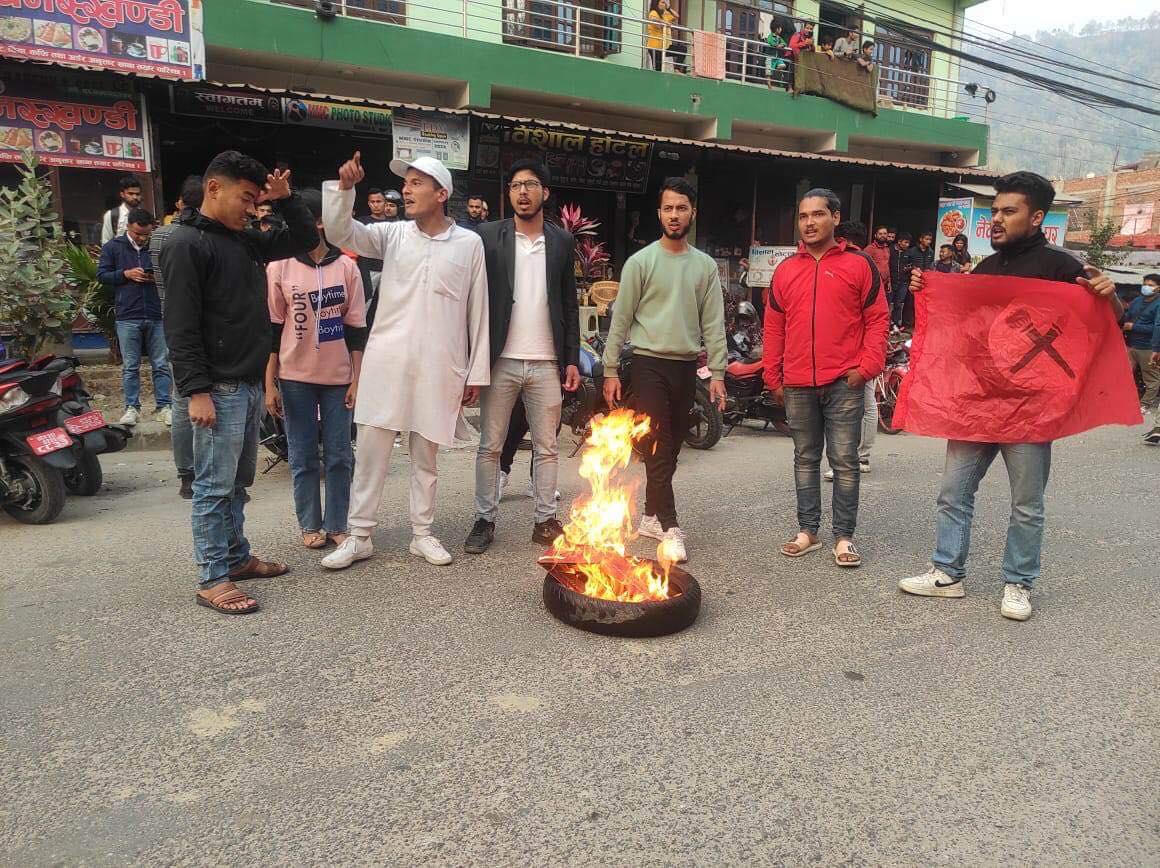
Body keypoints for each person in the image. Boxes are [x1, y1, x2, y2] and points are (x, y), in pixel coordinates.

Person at [898, 170, 1122, 621]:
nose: (996, 219)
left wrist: (1109, 295)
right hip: (979, 402)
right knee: (953, 492)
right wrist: (931, 293)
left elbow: (1104, 323)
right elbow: (964, 329)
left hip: (1031, 410)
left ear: (1036, 216)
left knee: (1026, 503)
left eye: (1008, 211)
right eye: (995, 210)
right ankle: (947, 573)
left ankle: (1018, 583)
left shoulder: (1062, 267)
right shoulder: (985, 267)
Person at [162, 150, 319, 615]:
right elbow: (180, 326)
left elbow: (305, 239)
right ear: (214, 188)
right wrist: (196, 391)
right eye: (245, 198)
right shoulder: (185, 243)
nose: (251, 208)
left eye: (256, 200)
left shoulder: (244, 240)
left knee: (236, 484)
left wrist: (287, 199)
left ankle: (236, 557)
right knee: (213, 486)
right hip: (217, 387)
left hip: (248, 383)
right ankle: (213, 577)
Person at [320, 152, 489, 571]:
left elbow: (478, 311)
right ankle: (359, 536)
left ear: (441, 193)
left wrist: (475, 371)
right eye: (407, 183)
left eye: (416, 183)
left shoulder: (469, 243)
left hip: (440, 363)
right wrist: (345, 190)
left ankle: (422, 534)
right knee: (373, 450)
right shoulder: (392, 235)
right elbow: (343, 233)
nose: (407, 190)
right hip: (387, 360)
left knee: (426, 455)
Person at [602, 177, 727, 564]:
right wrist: (609, 368)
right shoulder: (641, 262)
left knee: (672, 450)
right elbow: (620, 320)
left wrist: (718, 373)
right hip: (647, 364)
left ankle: (651, 516)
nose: (675, 215)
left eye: (682, 208)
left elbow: (714, 323)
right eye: (668, 208)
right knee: (657, 445)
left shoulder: (704, 266)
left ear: (693, 212)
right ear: (659, 213)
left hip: (686, 367)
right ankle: (671, 528)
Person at [765, 190, 889, 568]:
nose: (809, 222)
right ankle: (808, 532)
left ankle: (844, 537)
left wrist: (866, 367)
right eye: (803, 216)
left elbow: (878, 319)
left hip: (844, 381)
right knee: (805, 458)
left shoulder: (859, 264)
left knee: (844, 461)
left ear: (835, 218)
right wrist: (773, 375)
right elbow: (774, 325)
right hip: (798, 381)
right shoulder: (786, 270)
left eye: (818, 214)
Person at [464, 159, 581, 554]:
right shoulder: (487, 236)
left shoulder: (562, 241)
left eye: (531, 185)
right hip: (501, 360)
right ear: (509, 193)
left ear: (545, 193)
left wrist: (570, 359)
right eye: (515, 186)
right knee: (490, 445)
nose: (523, 192)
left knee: (548, 447)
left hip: (547, 361)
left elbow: (569, 303)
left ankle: (545, 520)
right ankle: (484, 519)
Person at [265, 189, 368, 551]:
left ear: (319, 222)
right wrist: (270, 384)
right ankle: (310, 524)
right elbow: (274, 330)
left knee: (341, 454)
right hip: (294, 379)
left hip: (339, 378)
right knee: (303, 455)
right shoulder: (278, 266)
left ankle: (338, 522)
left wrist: (357, 379)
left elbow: (357, 329)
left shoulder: (348, 267)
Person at [97, 207, 173, 428]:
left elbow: (171, 272)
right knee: (130, 365)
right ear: (128, 226)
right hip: (127, 314)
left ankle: (164, 406)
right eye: (137, 233)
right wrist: (125, 274)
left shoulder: (157, 246)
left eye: (146, 234)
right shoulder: (113, 247)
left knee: (161, 364)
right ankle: (132, 407)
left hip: (156, 312)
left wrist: (155, 276)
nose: (141, 238)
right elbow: (102, 275)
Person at [151, 175, 202, 497]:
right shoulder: (194, 238)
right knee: (192, 401)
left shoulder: (160, 236)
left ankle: (187, 473)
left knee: (182, 399)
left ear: (181, 203)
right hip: (196, 327)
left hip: (171, 322)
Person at [824, 220, 879, 480]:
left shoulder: (856, 264)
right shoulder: (868, 263)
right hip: (857, 353)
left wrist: (868, 361)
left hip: (854, 354)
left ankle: (853, 459)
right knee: (863, 406)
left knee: (853, 409)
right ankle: (859, 456)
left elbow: (874, 316)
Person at [357, 187, 403, 327]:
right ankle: (357, 340)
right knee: (364, 304)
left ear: (385, 202)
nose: (376, 205)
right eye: (373, 202)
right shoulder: (361, 222)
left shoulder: (395, 224)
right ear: (368, 203)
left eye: (379, 201)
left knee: (391, 306)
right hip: (368, 269)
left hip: (390, 270)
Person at [1123, 273, 1160, 442]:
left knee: (1151, 379)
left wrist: (1134, 326)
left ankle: (1145, 405)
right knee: (1124, 377)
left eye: (1150, 284)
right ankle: (1127, 403)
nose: (1146, 286)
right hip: (1132, 344)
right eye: (1145, 283)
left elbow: (1157, 327)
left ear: (1158, 287)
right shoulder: (1137, 301)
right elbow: (1126, 317)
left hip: (1148, 346)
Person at [898, 231, 934, 327]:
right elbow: (905, 266)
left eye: (930, 239)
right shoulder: (911, 251)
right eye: (926, 239)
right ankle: (906, 324)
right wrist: (913, 268)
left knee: (922, 304)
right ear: (921, 239)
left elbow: (930, 265)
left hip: (925, 282)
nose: (928, 241)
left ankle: (918, 324)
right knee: (909, 303)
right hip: (912, 281)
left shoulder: (931, 252)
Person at [100, 176, 143, 244]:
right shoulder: (112, 215)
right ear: (122, 194)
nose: (135, 197)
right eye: (130, 194)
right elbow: (106, 242)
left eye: (137, 194)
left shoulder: (144, 215)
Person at [646, 0, 679, 72]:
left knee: (682, 49)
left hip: (664, 46)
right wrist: (664, 22)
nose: (664, 4)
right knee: (658, 70)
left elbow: (676, 16)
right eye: (662, 2)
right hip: (654, 46)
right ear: (656, 3)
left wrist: (669, 8)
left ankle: (677, 69)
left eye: (665, 3)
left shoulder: (665, 14)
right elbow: (652, 19)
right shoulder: (654, 12)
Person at [890, 231, 912, 327]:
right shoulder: (890, 250)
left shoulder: (909, 252)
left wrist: (909, 268)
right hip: (891, 282)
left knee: (898, 304)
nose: (907, 245)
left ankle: (895, 324)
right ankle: (885, 323)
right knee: (887, 303)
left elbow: (912, 264)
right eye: (905, 242)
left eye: (908, 243)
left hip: (903, 282)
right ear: (899, 242)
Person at [765, 19, 790, 89]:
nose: (781, 29)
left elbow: (784, 43)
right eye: (780, 28)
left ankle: (775, 71)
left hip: (777, 57)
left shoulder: (779, 38)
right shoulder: (770, 36)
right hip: (770, 57)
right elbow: (769, 41)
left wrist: (782, 45)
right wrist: (776, 45)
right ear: (777, 29)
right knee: (768, 73)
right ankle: (769, 86)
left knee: (783, 65)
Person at [867, 224, 893, 290]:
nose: (883, 236)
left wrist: (889, 281)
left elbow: (887, 265)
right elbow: (864, 266)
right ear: (875, 235)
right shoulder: (870, 249)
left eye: (884, 233)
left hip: (885, 283)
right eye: (880, 234)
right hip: (874, 283)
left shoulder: (887, 249)